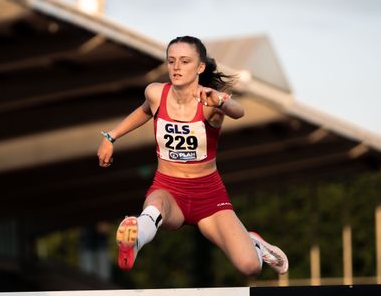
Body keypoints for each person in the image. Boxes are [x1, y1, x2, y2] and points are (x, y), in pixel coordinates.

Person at [96, 35, 288, 276]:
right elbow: (144, 111)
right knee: (154, 206)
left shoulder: (210, 102)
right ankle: (133, 240)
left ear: (200, 67)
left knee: (250, 267)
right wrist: (111, 136)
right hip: (169, 189)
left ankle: (255, 245)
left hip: (208, 197)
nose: (176, 67)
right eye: (171, 61)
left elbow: (239, 112)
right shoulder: (156, 93)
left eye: (185, 61)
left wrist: (222, 101)